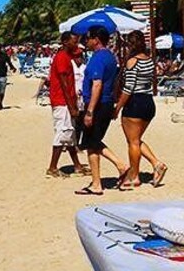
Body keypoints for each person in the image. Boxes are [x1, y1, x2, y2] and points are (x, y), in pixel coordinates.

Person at [75, 26, 129, 196]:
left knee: (91, 144)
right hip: (105, 103)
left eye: (88, 38)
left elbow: (97, 84)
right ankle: (117, 168)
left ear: (96, 39)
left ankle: (99, 182)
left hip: (98, 104)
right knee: (93, 141)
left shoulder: (99, 58)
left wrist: (90, 111)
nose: (86, 41)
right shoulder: (110, 58)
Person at [113, 30, 168, 189]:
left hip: (135, 102)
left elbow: (128, 88)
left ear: (130, 44)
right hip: (148, 102)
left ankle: (134, 176)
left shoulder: (132, 62)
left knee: (132, 142)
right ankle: (156, 164)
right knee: (136, 140)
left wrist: (118, 108)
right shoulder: (150, 60)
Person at [46, 32, 88, 177]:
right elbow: (64, 84)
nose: (75, 44)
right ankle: (52, 167)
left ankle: (76, 165)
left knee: (70, 134)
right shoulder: (62, 58)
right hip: (62, 101)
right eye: (73, 42)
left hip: (66, 100)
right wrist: (71, 106)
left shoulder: (65, 57)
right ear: (65, 42)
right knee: (62, 132)